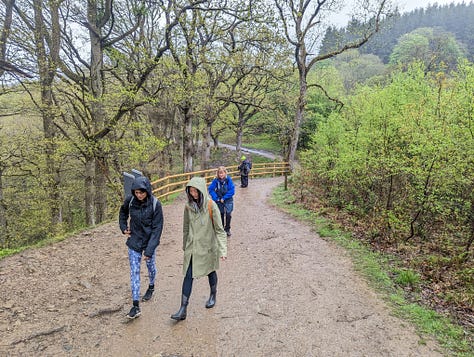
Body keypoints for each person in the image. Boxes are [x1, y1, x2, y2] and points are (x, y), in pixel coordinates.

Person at [171, 176, 227, 321]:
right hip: (192, 248)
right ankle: (183, 309)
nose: (194, 194)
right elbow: (185, 227)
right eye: (191, 191)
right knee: (188, 275)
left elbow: (220, 230)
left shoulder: (211, 205)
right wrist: (185, 245)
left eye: (196, 191)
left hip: (207, 247)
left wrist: (223, 250)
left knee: (210, 271)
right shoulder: (188, 206)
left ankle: (213, 294)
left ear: (202, 191)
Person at [119, 175, 164, 319]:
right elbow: (122, 213)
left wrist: (150, 250)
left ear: (147, 191)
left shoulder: (156, 204)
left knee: (151, 267)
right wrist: (123, 227)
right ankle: (135, 305)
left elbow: (157, 229)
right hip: (134, 241)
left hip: (149, 241)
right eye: (136, 192)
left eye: (142, 192)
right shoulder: (130, 201)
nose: (139, 195)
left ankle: (151, 285)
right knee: (134, 272)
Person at [208, 166, 235, 237]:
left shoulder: (229, 180)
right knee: (221, 214)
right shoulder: (216, 181)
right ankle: (221, 229)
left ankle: (227, 229)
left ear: (225, 173)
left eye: (222, 173)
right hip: (219, 200)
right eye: (220, 173)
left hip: (228, 199)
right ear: (218, 174)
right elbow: (211, 189)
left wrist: (224, 198)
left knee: (228, 214)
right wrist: (216, 198)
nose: (221, 175)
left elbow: (232, 191)